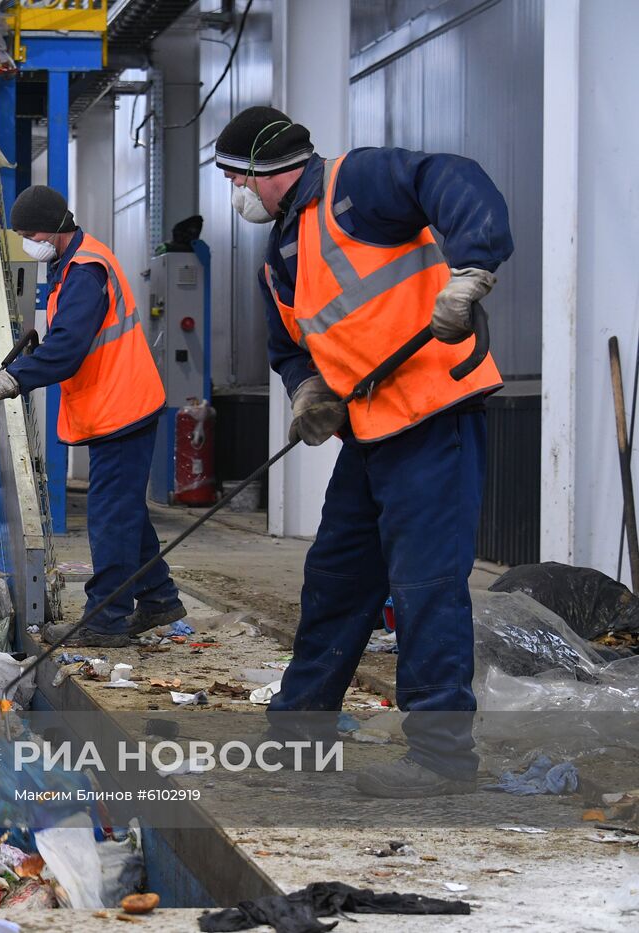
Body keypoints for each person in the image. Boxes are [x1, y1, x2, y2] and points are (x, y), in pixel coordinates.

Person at [213, 106, 511, 798]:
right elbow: (289, 346)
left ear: (263, 172)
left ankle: (440, 759)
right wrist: (309, 394)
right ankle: (298, 735)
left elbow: (454, 179)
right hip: (371, 433)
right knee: (336, 582)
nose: (234, 194)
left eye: (234, 178)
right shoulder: (278, 261)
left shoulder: (359, 184)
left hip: (434, 416)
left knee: (424, 586)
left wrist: (469, 270)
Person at [0, 185, 186, 647]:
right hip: (118, 402)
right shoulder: (76, 261)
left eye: (29, 234)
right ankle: (158, 597)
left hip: (122, 406)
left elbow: (67, 350)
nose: (29, 243)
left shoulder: (85, 270)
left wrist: (11, 381)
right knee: (123, 510)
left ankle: (105, 621)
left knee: (109, 517)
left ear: (51, 230)